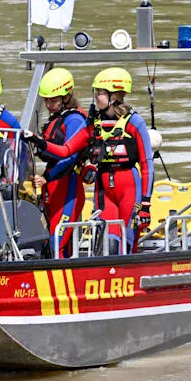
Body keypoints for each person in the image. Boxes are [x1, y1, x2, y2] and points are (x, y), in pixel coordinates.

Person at [32, 67, 153, 254]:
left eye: (100, 93)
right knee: (108, 244)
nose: (95, 97)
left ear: (113, 96)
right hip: (104, 189)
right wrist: (38, 141)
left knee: (127, 242)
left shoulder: (134, 123)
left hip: (129, 187)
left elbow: (147, 165)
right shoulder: (93, 124)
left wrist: (145, 204)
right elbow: (67, 150)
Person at [23, 68, 90, 258]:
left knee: (57, 240)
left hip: (67, 185)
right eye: (46, 100)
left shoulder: (74, 120)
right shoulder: (55, 120)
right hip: (52, 186)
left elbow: (69, 158)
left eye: (53, 100)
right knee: (48, 239)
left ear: (66, 97)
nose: (49, 104)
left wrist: (46, 177)